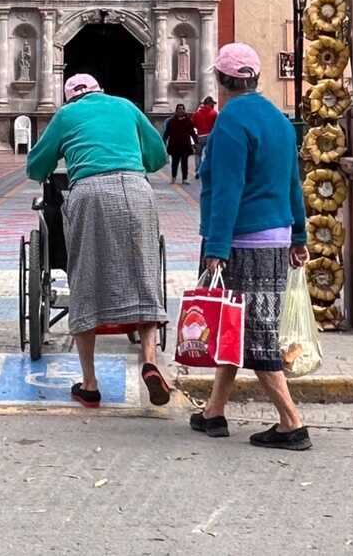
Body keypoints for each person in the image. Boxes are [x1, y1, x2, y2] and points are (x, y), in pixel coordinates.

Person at [26, 74, 172, 409]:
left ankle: (90, 384)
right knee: (145, 274)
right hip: (137, 190)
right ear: (99, 90)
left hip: (90, 194)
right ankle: (149, 361)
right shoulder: (126, 106)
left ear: (71, 97)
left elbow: (36, 167)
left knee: (85, 277)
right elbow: (157, 156)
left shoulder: (65, 115)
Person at [193, 43, 311, 451]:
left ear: (221, 81)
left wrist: (216, 246)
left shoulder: (229, 123)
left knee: (256, 335)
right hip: (277, 238)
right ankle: (214, 412)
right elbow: (293, 181)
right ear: (255, 79)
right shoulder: (278, 120)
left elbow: (227, 190)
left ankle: (291, 422)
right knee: (234, 326)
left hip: (242, 241)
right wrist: (299, 235)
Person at [163, 103, 198, 184]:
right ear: (176, 110)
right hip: (174, 145)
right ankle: (173, 177)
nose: (180, 110)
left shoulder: (188, 121)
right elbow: (167, 133)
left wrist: (196, 143)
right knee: (174, 163)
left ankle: (184, 179)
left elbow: (192, 133)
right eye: (179, 109)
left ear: (184, 110)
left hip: (185, 145)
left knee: (184, 163)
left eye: (182, 109)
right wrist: (163, 141)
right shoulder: (171, 121)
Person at [191, 96, 217, 179]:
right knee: (209, 154)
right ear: (210, 104)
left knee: (198, 154)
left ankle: (198, 170)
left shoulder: (197, 114)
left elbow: (192, 124)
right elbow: (216, 126)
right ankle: (208, 171)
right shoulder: (214, 113)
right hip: (210, 136)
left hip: (200, 136)